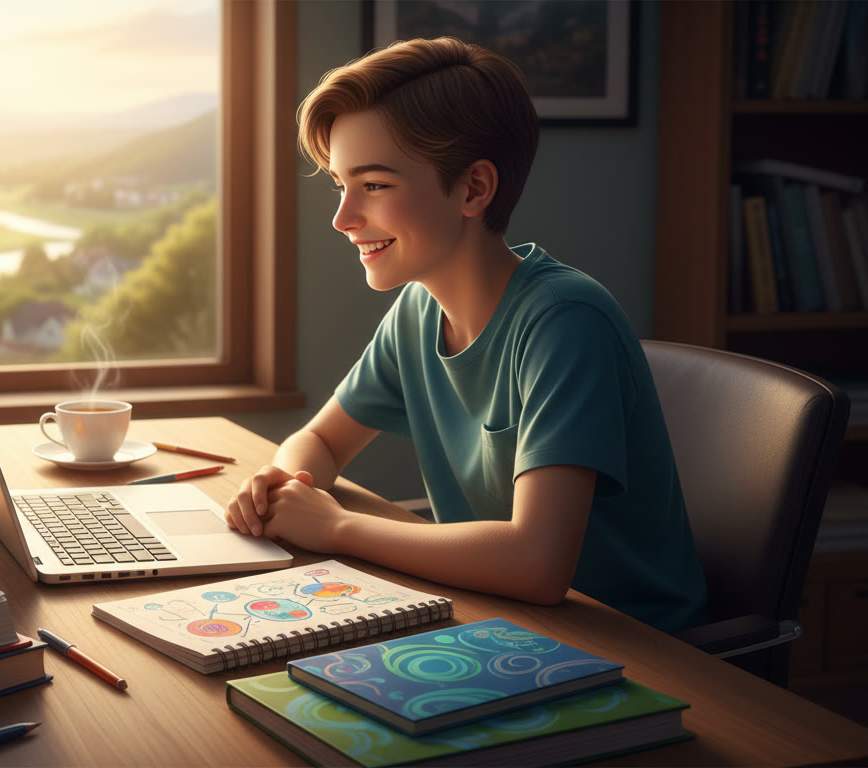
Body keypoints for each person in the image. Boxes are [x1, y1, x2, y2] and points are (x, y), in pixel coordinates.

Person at [224, 36, 708, 633]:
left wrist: (336, 527)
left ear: (474, 189)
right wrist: (287, 482)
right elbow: (320, 442)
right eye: (339, 185)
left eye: (374, 185)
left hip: (636, 649)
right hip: (499, 621)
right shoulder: (417, 310)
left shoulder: (565, 321)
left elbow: (538, 565)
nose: (343, 217)